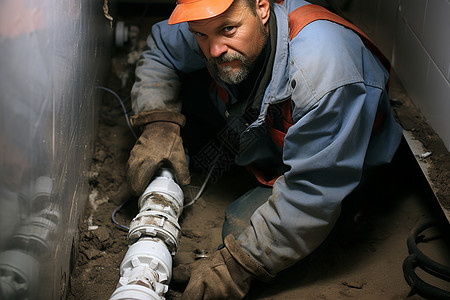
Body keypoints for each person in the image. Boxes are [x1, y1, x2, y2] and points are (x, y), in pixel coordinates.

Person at [126, 0, 403, 298]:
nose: (215, 48)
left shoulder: (323, 73)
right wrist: (159, 124)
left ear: (261, 8)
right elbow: (162, 49)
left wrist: (236, 266)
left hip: (334, 161)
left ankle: (349, 212)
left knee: (240, 235)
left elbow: (311, 192)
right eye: (201, 35)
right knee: (179, 107)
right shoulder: (210, 20)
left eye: (228, 30)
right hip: (262, 132)